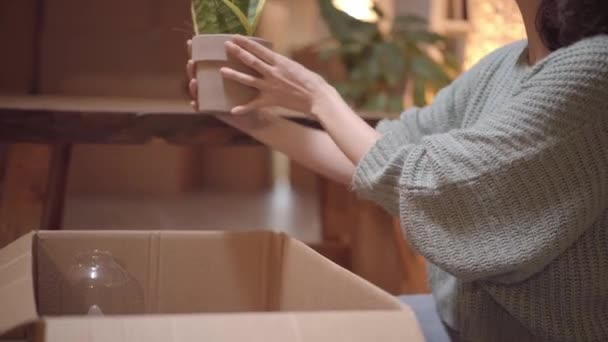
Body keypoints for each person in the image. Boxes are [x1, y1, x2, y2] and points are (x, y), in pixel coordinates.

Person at [186, 0, 608, 341]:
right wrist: (248, 119)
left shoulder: (595, 66)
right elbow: (381, 156)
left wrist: (319, 96)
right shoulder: (504, 64)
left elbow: (428, 180)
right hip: (458, 324)